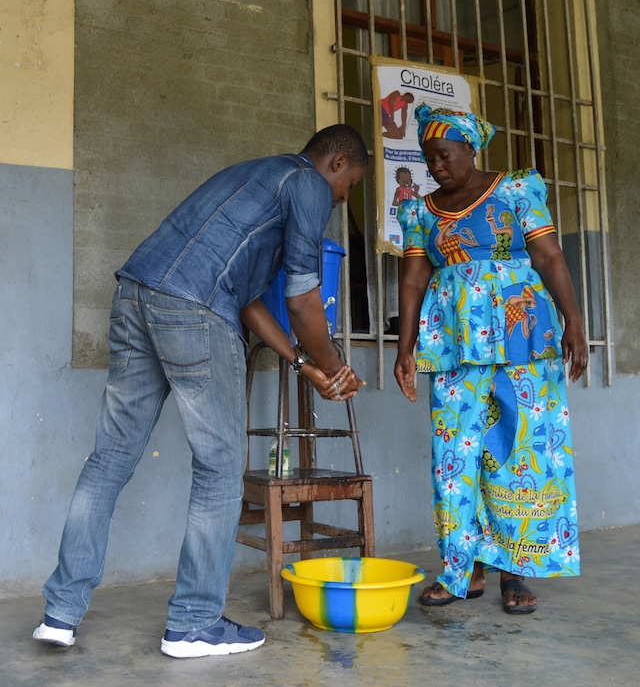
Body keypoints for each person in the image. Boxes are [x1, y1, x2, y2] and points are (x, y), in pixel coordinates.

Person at [33, 125, 368, 657]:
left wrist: (306, 365)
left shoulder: (251, 175)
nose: (340, 197)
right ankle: (192, 623)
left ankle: (60, 614)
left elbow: (248, 299)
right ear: (338, 161)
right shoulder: (306, 183)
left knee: (109, 459)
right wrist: (339, 369)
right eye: (347, 186)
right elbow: (304, 297)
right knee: (218, 469)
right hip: (192, 309)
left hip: (137, 294)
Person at [394, 106, 587, 615]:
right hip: (454, 344)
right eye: (429, 158)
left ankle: (514, 571)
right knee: (454, 459)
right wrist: (404, 345)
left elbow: (548, 256)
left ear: (471, 148)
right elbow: (413, 280)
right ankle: (462, 570)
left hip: (523, 339)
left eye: (445, 155)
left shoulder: (517, 189)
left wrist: (575, 322)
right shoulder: (420, 211)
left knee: (519, 451)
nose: (436, 166)